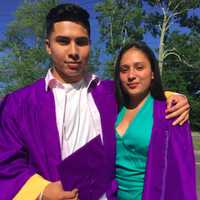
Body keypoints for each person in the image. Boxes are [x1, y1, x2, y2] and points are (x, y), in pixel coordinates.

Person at [0, 3, 190, 200]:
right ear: (48, 46)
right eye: (63, 41)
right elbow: (6, 162)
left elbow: (143, 94)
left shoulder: (109, 93)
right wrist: (43, 190)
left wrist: (172, 96)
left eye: (81, 42)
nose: (74, 51)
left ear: (90, 44)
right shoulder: (19, 104)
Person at [114, 41, 197, 200]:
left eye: (139, 67)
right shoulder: (111, 109)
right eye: (124, 70)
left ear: (152, 72)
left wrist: (177, 97)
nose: (131, 75)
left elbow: (183, 174)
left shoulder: (170, 112)